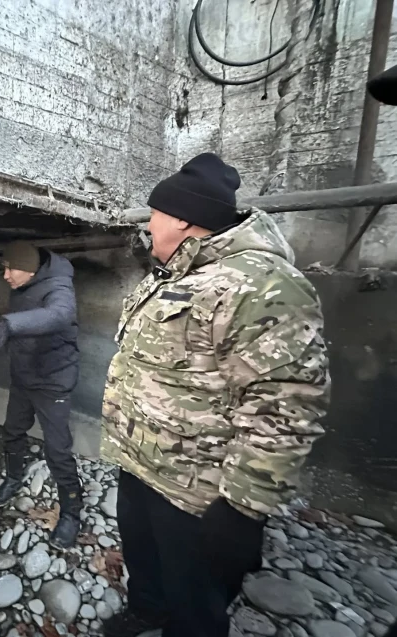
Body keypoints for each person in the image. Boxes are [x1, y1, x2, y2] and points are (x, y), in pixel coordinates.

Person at [100, 153, 331, 637]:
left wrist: (244, 508)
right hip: (140, 465)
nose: (148, 226)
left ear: (182, 219)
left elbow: (285, 404)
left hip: (195, 489)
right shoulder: (173, 275)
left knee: (196, 599)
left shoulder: (262, 284)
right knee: (145, 558)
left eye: (154, 214)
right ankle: (147, 609)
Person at [0, 241, 83, 549]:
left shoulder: (59, 286)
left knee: (58, 450)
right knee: (12, 430)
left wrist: (9, 325)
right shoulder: (21, 285)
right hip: (24, 377)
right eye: (4, 268)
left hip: (52, 381)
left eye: (11, 269)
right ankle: (13, 478)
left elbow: (59, 315)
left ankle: (71, 513)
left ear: (31, 270)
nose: (5, 275)